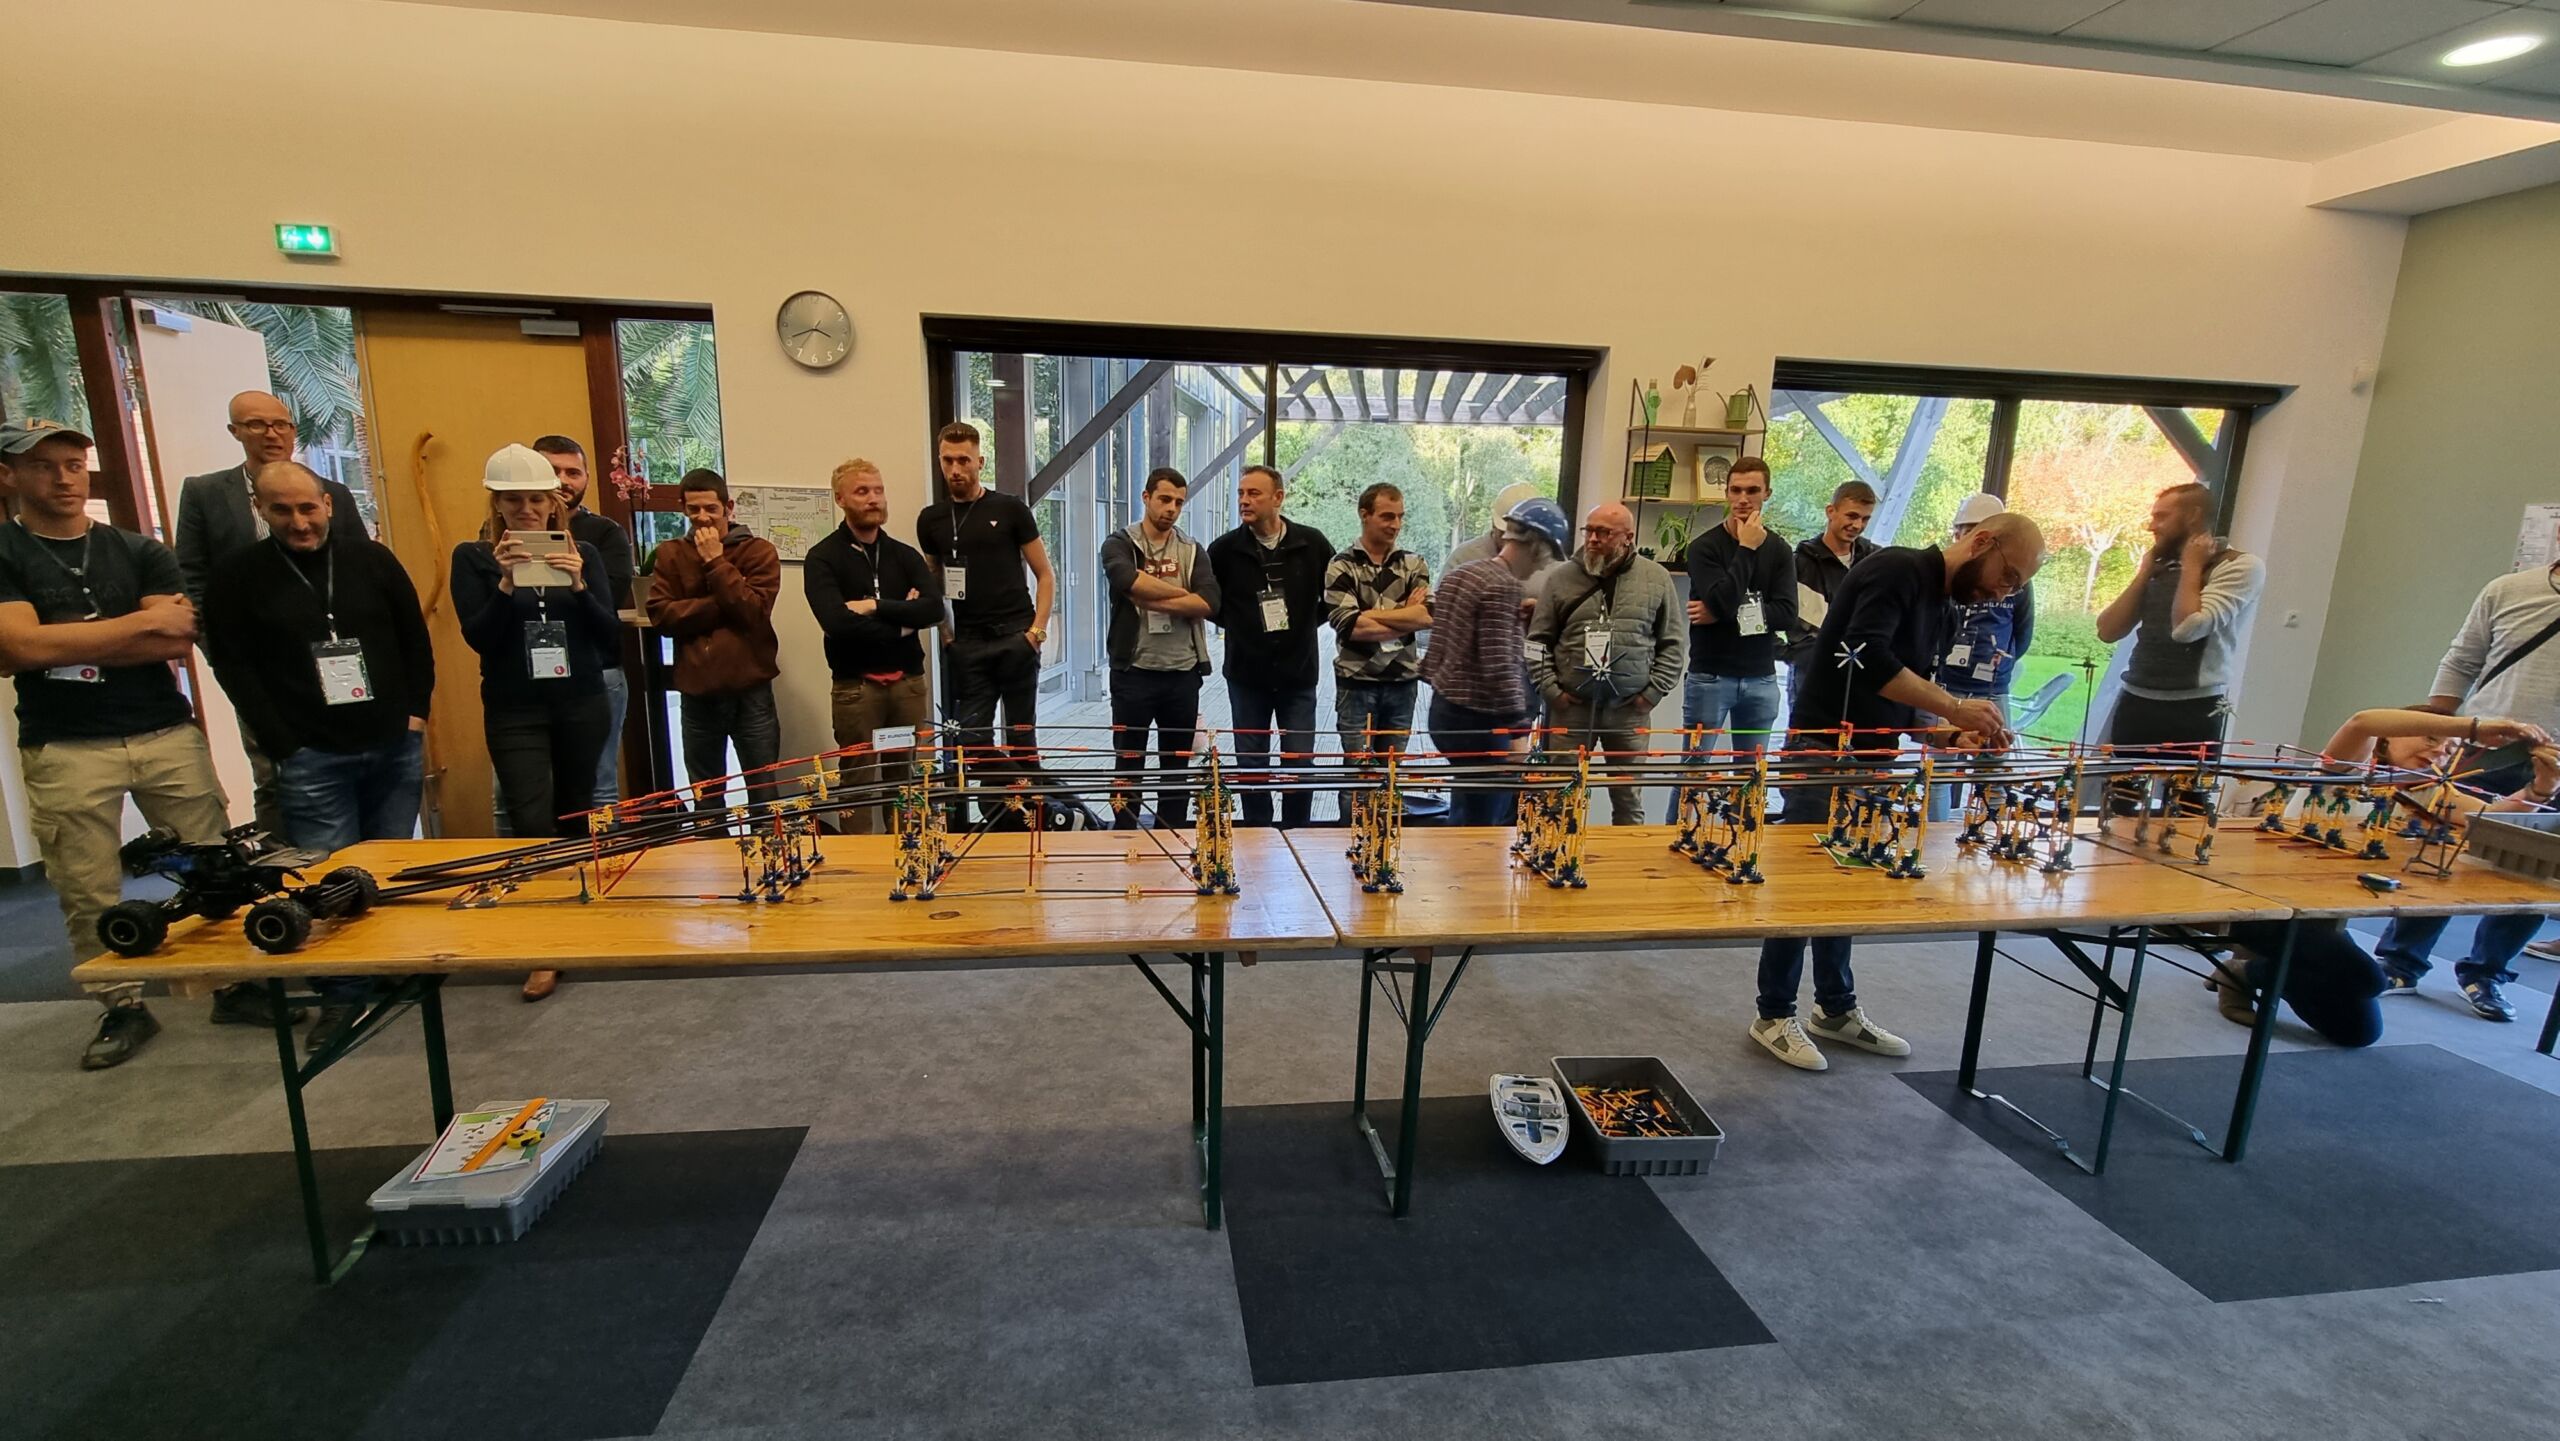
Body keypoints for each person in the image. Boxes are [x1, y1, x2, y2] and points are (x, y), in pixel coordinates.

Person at [0, 420, 291, 1070]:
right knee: (87, 882)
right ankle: (121, 1004)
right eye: (45, 465)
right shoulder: (6, 553)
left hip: (164, 730)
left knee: (213, 862)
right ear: (9, 474)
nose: (65, 478)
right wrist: (135, 625)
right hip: (66, 744)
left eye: (73, 463)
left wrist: (61, 639)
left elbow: (176, 638)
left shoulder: (136, 549)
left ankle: (229, 985)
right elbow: (16, 647)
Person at [1752, 512, 2044, 1072]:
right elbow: (1869, 658)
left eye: (2016, 587)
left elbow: (1897, 696)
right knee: (1804, 888)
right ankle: (1773, 1013)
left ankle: (1835, 1007)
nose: (2004, 593)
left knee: (1845, 886)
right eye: (2008, 576)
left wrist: (1947, 732)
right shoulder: (1898, 570)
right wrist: (1954, 707)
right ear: (1982, 541)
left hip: (1868, 758)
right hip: (1824, 755)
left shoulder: (1942, 602)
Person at [204, 462, 435, 1055]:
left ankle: (390, 968)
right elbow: (234, 666)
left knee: (385, 868)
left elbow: (414, 640)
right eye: (282, 510)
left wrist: (415, 715)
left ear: (328, 504)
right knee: (325, 876)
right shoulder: (239, 576)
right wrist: (283, 742)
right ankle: (341, 994)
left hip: (392, 745)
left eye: (308, 508)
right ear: (261, 509)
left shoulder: (373, 561)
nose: (299, 521)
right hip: (312, 754)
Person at [2213, 709, 2556, 1041]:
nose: (2439, 750)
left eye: (2450, 748)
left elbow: (2491, 817)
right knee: (2370, 980)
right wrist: (2474, 728)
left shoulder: (2425, 791)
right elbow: (2362, 722)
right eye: (2431, 738)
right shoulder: (2346, 770)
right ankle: (2246, 967)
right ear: (2387, 738)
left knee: (2357, 1033)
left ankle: (2253, 970)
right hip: (2267, 907)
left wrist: (2543, 785)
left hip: (2319, 918)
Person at [452, 444, 619, 1002]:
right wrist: (505, 584)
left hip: (581, 703)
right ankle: (541, 946)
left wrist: (579, 586)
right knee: (529, 819)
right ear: (497, 504)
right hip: (515, 708)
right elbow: (479, 637)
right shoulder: (474, 558)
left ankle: (576, 927)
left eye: (535, 500)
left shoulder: (583, 553)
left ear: (554, 503)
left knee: (577, 814)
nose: (526, 510)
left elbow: (609, 637)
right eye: (513, 501)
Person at [174, 390, 369, 839]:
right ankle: (282, 862)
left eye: (281, 424)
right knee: (273, 768)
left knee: (349, 762)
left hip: (330, 656)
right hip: (257, 661)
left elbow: (360, 569)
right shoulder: (205, 493)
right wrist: (220, 650)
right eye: (257, 424)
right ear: (235, 432)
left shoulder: (332, 494)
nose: (271, 434)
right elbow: (191, 576)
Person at [2416, 561, 2560, 961]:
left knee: (2534, 875)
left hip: (2557, 763)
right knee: (2439, 849)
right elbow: (2462, 660)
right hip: (2488, 746)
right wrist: (2439, 728)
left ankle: (2488, 971)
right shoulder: (2507, 589)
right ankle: (2401, 960)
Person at [917, 422, 1054, 810]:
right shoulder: (931, 519)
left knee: (1021, 740)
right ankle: (1029, 803)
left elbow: (1045, 574)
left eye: (964, 460)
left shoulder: (1010, 509)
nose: (955, 469)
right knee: (972, 742)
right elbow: (933, 581)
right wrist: (947, 635)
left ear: (980, 461)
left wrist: (1036, 632)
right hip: (969, 643)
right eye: (948, 461)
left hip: (1016, 636)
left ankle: (1040, 815)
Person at [1525, 501, 1684, 826]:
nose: (1593, 539)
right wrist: (1552, 692)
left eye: (1604, 532)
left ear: (1628, 537)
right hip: (1570, 710)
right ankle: (1560, 852)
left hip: (1629, 711)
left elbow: (1673, 644)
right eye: (1589, 531)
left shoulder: (1656, 579)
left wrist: (1651, 694)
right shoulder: (1560, 578)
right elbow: (1536, 643)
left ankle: (1625, 859)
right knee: (1560, 798)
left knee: (1628, 801)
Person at [805, 458, 940, 834]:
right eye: (862, 491)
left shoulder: (904, 555)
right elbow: (836, 623)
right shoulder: (822, 559)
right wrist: (903, 624)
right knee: (857, 782)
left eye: (878, 490)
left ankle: (909, 853)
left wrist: (874, 607)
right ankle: (860, 861)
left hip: (907, 687)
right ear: (840, 499)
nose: (873, 499)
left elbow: (933, 609)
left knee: (907, 780)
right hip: (856, 690)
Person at [1422, 498, 1565, 826]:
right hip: (1480, 722)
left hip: (1443, 714)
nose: (1540, 569)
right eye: (1545, 559)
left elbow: (1437, 646)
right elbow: (1500, 666)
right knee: (1484, 826)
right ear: (1536, 546)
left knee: (1464, 809)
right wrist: (1517, 730)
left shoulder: (1463, 573)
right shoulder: (1503, 585)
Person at [1205, 464, 1332, 828]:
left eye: (1254, 493)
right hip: (1246, 676)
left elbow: (1334, 597)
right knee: (1251, 763)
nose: (1244, 500)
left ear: (1278, 498)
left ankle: (1297, 833)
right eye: (1241, 493)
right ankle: (1258, 834)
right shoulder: (1224, 550)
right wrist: (1244, 627)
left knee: (1300, 762)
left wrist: (1302, 624)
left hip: (1298, 675)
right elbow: (1210, 603)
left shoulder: (1312, 544)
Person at [646, 469, 782, 811]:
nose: (703, 517)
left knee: (764, 792)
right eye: (694, 509)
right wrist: (722, 604)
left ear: (728, 508)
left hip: (750, 691)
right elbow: (662, 616)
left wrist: (716, 562)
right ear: (683, 509)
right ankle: (712, 844)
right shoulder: (670, 554)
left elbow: (753, 612)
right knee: (705, 796)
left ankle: (766, 845)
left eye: (711, 508)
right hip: (697, 693)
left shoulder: (758, 551)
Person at [2096, 481, 2264, 752]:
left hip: (2194, 710)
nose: (2151, 526)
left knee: (2185, 783)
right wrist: (2144, 574)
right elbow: (2107, 631)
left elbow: (2186, 629)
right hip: (2136, 703)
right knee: (2121, 782)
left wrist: (2192, 566)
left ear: (2193, 516)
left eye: (2161, 517)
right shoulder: (2159, 565)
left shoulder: (2239, 565)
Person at [1672, 457, 1794, 820]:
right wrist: (1747, 548)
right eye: (1736, 490)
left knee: (1751, 776)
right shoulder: (1704, 547)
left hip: (1761, 677)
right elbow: (1724, 600)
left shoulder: (1781, 549)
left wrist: (1722, 614)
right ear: (1726, 493)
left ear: (1767, 493)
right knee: (1693, 772)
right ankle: (1679, 836)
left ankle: (1743, 843)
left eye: (1752, 490)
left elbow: (1786, 614)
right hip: (1711, 676)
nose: (1743, 499)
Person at [1099, 468, 1220, 829]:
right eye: (1165, 499)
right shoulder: (1120, 543)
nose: (1172, 509)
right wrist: (1184, 596)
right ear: (1146, 497)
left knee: (1176, 766)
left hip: (1182, 674)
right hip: (1133, 673)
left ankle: (1172, 835)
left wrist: (1152, 597)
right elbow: (1127, 580)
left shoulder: (1191, 549)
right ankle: (1124, 835)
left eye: (1179, 502)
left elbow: (1209, 602)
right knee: (1128, 762)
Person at [533, 436, 638, 807]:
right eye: (553, 471)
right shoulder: (503, 535)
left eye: (573, 472)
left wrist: (575, 579)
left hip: (597, 672)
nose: (563, 481)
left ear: (587, 479)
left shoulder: (605, 534)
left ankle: (602, 848)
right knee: (526, 788)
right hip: (528, 680)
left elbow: (608, 599)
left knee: (599, 783)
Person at [1928, 493, 2035, 821]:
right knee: (1939, 772)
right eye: (1969, 530)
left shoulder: (2017, 586)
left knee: (1994, 767)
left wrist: (1999, 666)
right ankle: (1935, 834)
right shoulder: (1943, 577)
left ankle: (1988, 831)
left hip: (1992, 689)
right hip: (1946, 686)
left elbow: (2022, 633)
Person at [1324, 483, 1433, 798]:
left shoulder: (1414, 563)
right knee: (1357, 780)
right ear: (1364, 514)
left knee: (1391, 780)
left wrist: (1370, 615)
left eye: (1400, 517)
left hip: (1403, 684)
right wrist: (1403, 613)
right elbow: (1350, 627)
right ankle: (1350, 832)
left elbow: (1426, 617)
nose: (1395, 524)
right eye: (1387, 516)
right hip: (1356, 685)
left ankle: (1386, 833)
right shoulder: (1341, 565)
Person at [1782, 479, 1877, 699]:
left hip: (1860, 672)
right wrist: (1792, 654)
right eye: (1852, 516)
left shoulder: (1875, 561)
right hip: (1810, 673)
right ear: (1830, 511)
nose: (1858, 525)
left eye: (1865, 519)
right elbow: (1776, 613)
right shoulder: (1798, 563)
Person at [1446, 480, 1549, 573]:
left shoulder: (1549, 566)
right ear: (1493, 524)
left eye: (1520, 539)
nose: (1509, 542)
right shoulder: (1463, 557)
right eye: (1504, 533)